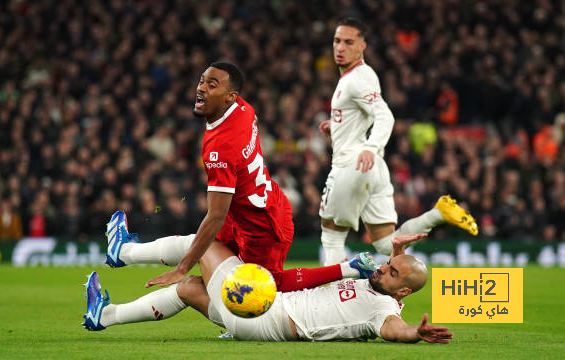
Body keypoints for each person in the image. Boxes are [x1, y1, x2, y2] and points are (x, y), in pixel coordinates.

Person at [106, 61, 376, 293]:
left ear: (229, 96)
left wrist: (182, 268)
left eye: (212, 85)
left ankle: (347, 268)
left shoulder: (219, 148)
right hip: (259, 205)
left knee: (269, 286)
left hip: (260, 226)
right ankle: (124, 254)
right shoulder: (243, 109)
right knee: (204, 244)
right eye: (202, 81)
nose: (201, 88)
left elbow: (215, 216)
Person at [83, 233, 452, 344]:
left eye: (390, 273)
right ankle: (106, 316)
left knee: (207, 244)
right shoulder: (377, 282)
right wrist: (397, 255)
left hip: (265, 319)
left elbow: (393, 330)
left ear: (402, 293)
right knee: (192, 288)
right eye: (386, 265)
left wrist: (415, 335)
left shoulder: (383, 311)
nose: (381, 270)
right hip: (263, 313)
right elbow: (391, 266)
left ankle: (124, 251)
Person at [318, 17, 478, 265]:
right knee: (385, 244)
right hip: (374, 168)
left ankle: (335, 297)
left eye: (349, 42)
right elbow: (364, 116)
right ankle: (438, 213)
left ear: (362, 46)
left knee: (331, 236)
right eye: (337, 41)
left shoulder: (356, 79)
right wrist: (337, 128)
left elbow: (384, 115)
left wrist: (371, 147)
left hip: (352, 165)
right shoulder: (358, 76)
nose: (340, 47)